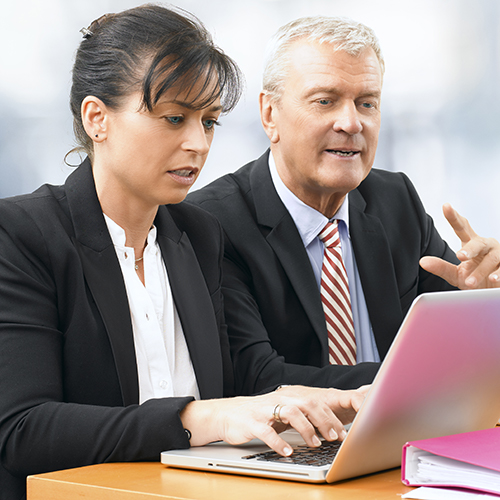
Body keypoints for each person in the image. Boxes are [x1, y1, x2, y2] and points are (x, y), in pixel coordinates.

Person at [0, 7, 368, 500]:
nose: (198, 143)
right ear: (97, 118)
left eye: (209, 121)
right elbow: (24, 429)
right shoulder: (23, 234)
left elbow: (252, 376)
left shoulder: (198, 234)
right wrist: (200, 417)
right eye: (174, 118)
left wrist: (355, 397)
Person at [187, 16, 500, 396]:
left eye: (367, 103)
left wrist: (484, 305)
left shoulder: (396, 199)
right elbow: (259, 379)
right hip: (290, 447)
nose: (352, 123)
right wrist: (408, 381)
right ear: (270, 115)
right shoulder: (212, 222)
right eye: (325, 101)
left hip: (402, 434)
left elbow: (455, 347)